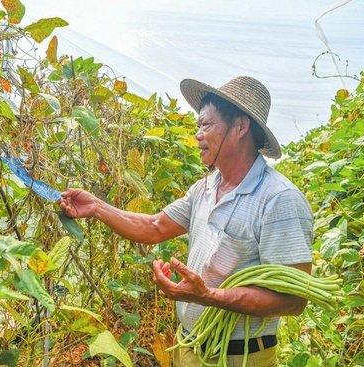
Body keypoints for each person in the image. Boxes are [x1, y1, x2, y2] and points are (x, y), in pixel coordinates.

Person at [59, 76, 313, 366]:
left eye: (206, 125)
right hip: (189, 346)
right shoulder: (204, 188)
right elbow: (155, 226)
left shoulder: (279, 199)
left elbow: (294, 300)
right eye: (198, 127)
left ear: (240, 127)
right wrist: (96, 207)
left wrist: (209, 296)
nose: (198, 135)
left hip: (240, 358)